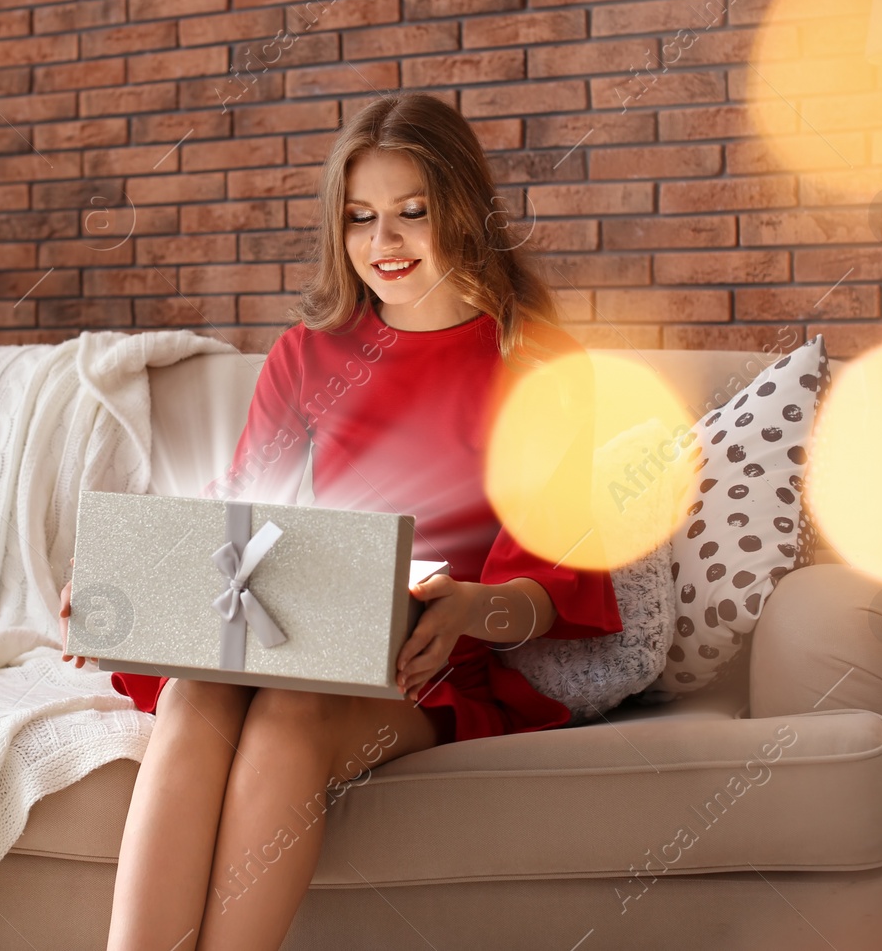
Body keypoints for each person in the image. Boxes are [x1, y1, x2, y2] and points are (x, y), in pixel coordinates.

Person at [59, 91, 621, 951]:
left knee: (291, 710)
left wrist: (472, 605)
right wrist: (124, 582)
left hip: (427, 665)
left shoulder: (539, 365)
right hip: (287, 634)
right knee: (196, 692)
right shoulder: (308, 353)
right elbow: (232, 514)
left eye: (410, 214)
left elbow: (551, 585)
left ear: (463, 210)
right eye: (360, 218)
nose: (382, 244)